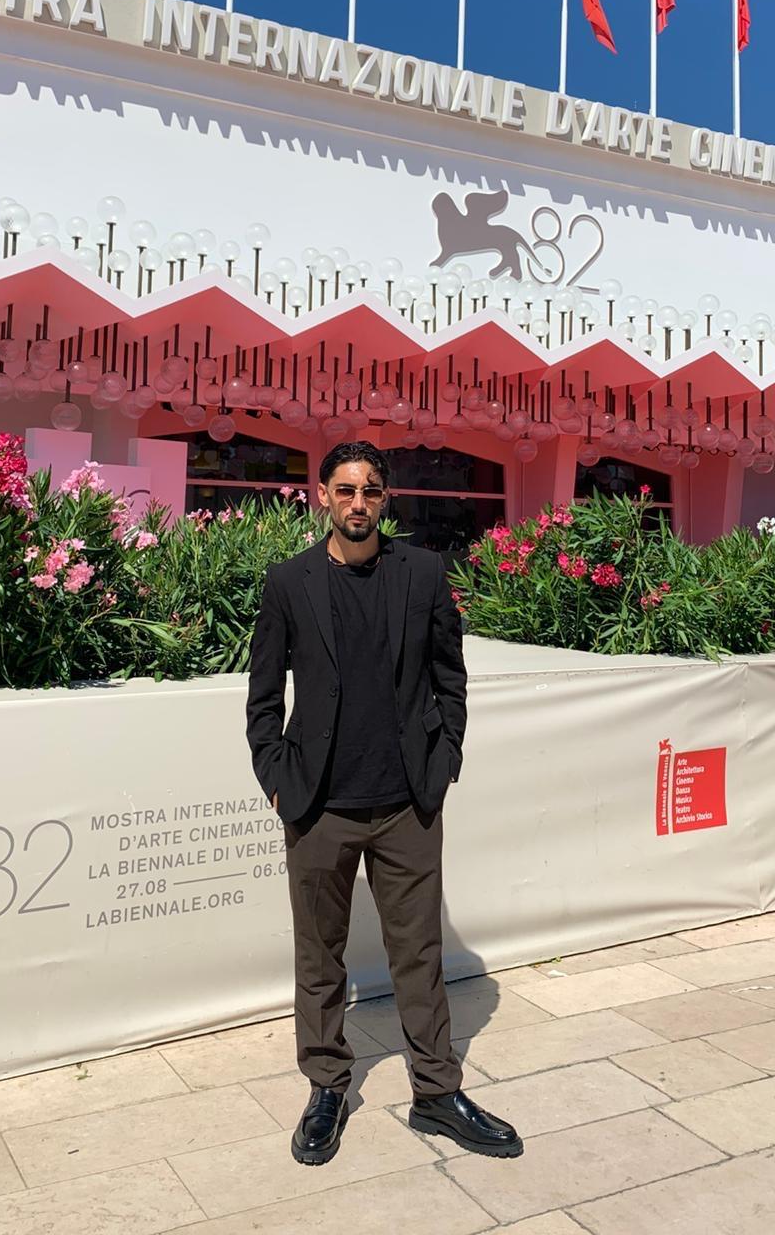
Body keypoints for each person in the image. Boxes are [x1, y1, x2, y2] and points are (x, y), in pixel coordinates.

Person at [246, 440, 521, 1165]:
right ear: (322, 497)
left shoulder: (422, 573)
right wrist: (277, 777)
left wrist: (445, 757)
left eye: (370, 490)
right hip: (318, 805)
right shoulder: (289, 581)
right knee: (319, 956)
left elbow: (450, 674)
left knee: (418, 954)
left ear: (385, 498)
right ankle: (327, 1087)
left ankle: (436, 1092)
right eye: (345, 490)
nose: (358, 502)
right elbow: (263, 695)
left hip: (406, 803)